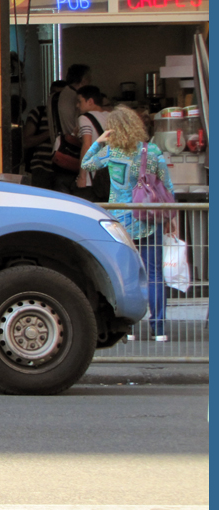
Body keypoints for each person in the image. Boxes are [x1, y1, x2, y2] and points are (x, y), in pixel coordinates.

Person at [82, 105, 175, 342]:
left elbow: (86, 164)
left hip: (120, 222)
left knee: (127, 275)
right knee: (154, 274)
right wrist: (171, 218)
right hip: (148, 219)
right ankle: (160, 329)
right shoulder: (151, 151)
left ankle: (129, 329)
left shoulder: (111, 152)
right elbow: (168, 186)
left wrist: (99, 141)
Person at [48, 64, 92, 194]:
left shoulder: (55, 97)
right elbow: (80, 131)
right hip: (72, 153)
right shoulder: (76, 98)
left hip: (59, 151)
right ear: (84, 79)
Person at [24, 81, 66, 188]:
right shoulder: (38, 113)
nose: (56, 99)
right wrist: (51, 132)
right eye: (53, 94)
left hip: (65, 168)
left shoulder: (70, 115)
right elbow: (26, 142)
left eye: (60, 96)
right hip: (41, 167)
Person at [74, 85, 110, 201]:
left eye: (79, 101)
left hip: (93, 176)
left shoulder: (85, 118)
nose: (77, 105)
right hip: (112, 175)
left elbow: (87, 145)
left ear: (90, 101)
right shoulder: (110, 117)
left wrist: (82, 176)